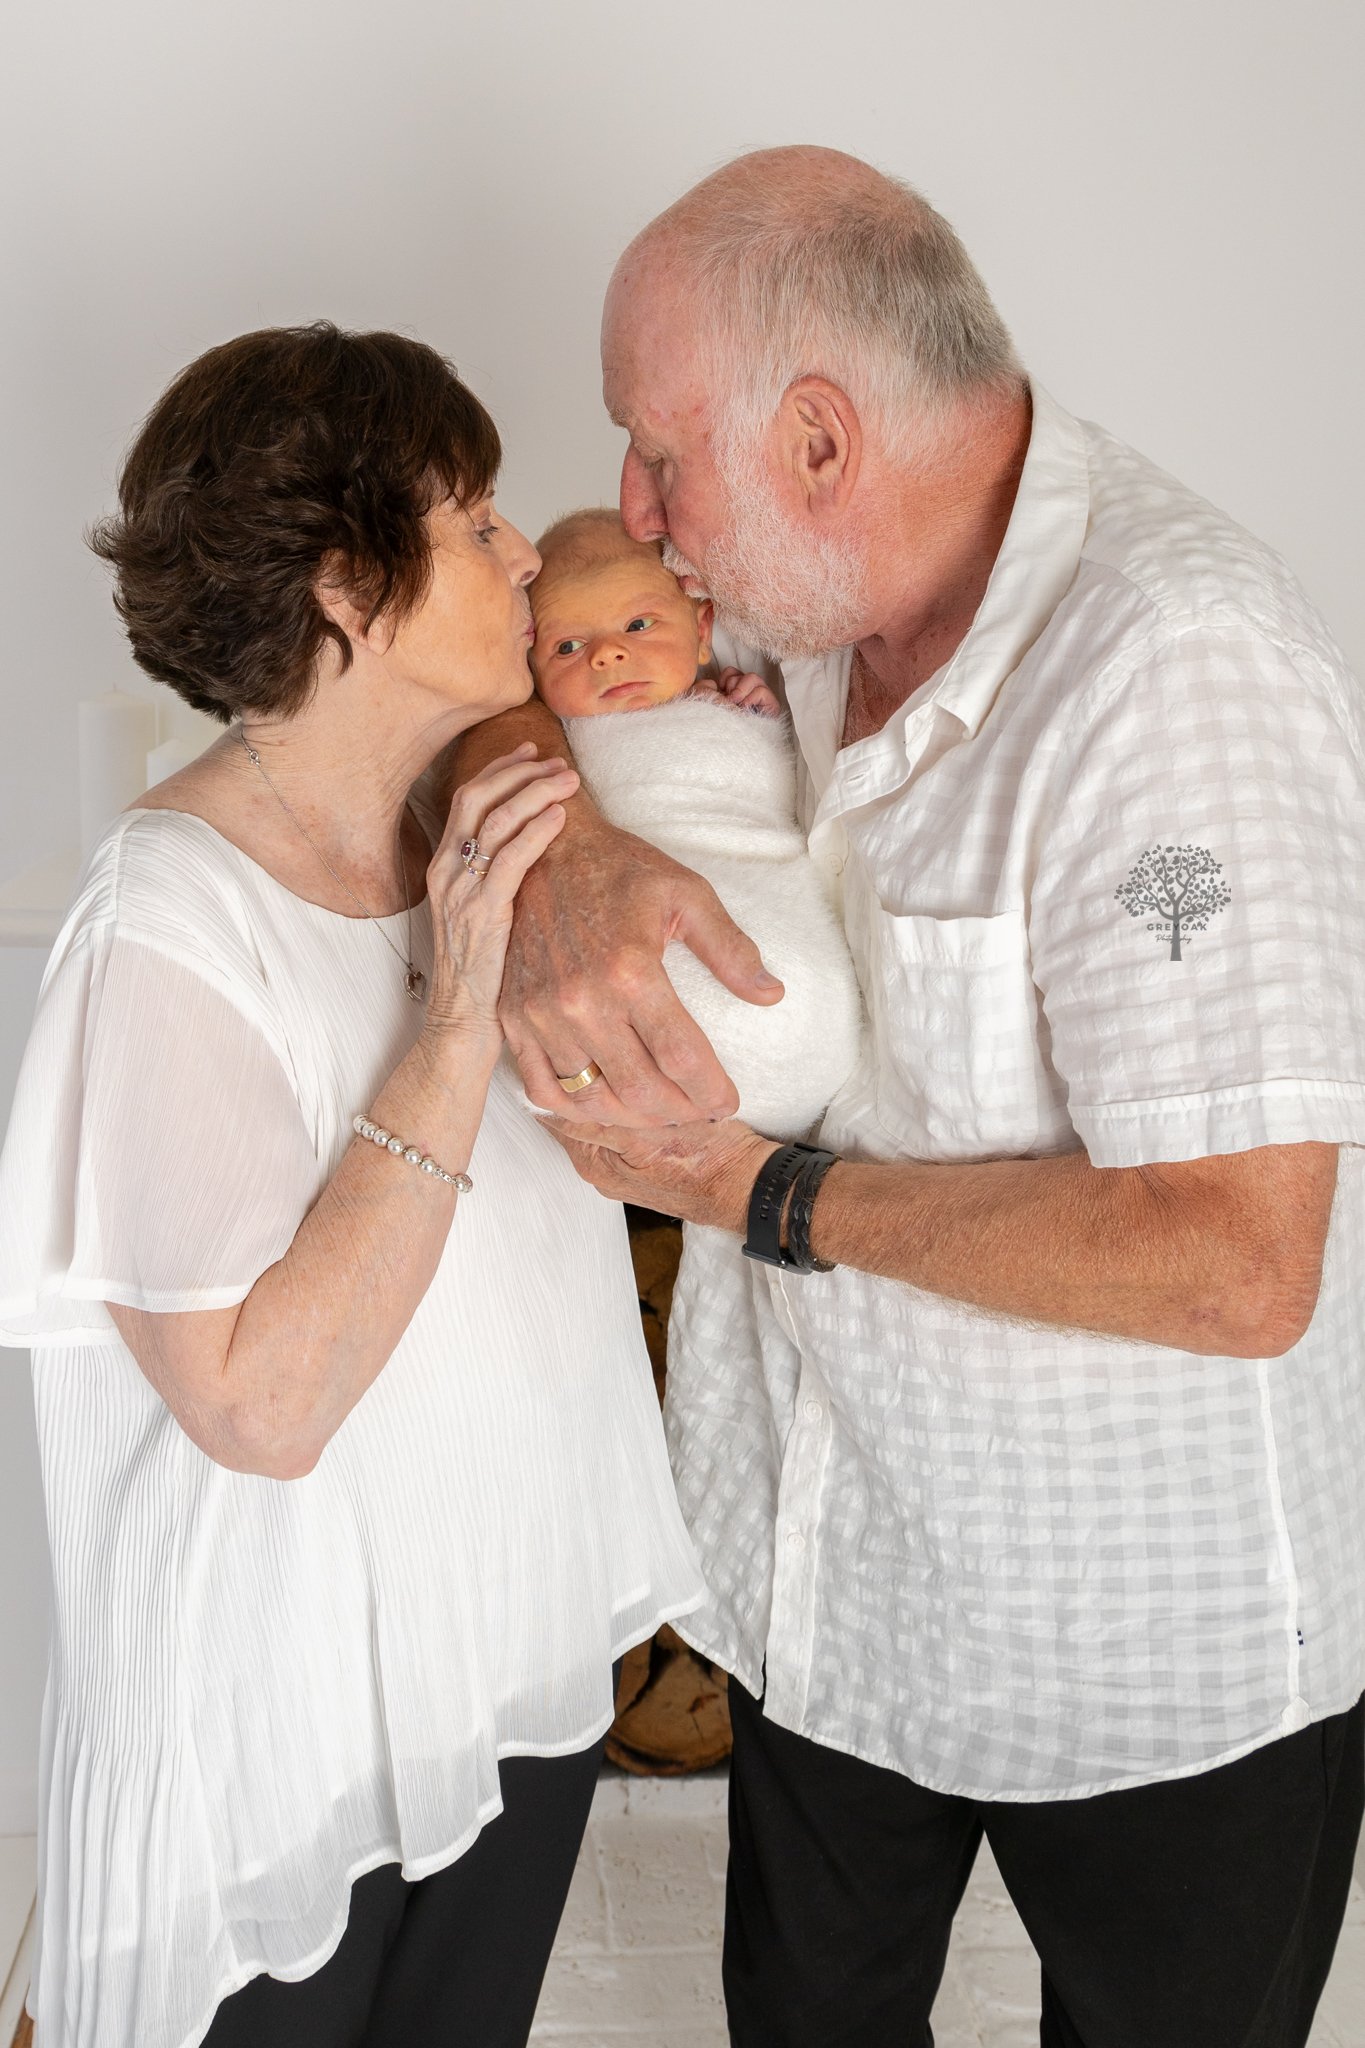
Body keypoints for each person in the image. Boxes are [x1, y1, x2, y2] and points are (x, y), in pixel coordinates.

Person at [455, 148, 1365, 2048]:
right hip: (834, 1593)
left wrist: (761, 1193)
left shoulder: (1175, 677)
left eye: (654, 453)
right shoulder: (792, 602)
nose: (622, 516)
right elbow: (512, 658)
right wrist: (574, 849)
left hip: (1146, 1661)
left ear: (814, 439)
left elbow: (1238, 1260)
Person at [0, 323, 707, 2048]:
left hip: (504, 1661)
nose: (528, 548)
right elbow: (261, 1400)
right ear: (347, 593)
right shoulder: (165, 925)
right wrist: (457, 1012)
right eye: (470, 520)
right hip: (280, 1742)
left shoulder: (468, 822)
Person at [528, 507, 861, 1141]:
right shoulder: (559, 737)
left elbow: (764, 815)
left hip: (772, 957)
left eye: (637, 624)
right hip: (628, 987)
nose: (608, 655)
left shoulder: (731, 694)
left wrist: (751, 724)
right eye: (568, 646)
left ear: (701, 630)